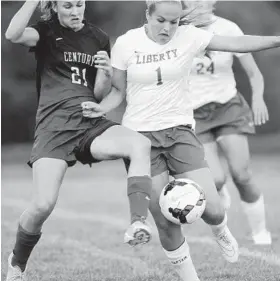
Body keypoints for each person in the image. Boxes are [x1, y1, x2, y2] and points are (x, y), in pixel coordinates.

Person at [83, 0, 280, 280]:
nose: (167, 28)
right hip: (140, 140)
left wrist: (277, 40)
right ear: (147, 15)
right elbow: (117, 92)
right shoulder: (126, 43)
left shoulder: (190, 36)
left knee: (213, 208)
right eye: (161, 20)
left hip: (180, 133)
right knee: (164, 221)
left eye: (174, 22)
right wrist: (102, 108)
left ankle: (221, 231)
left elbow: (239, 43)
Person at [4, 1, 154, 280]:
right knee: (42, 205)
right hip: (54, 128)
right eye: (68, 6)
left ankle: (138, 223)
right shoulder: (46, 32)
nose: (75, 11)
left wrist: (106, 73)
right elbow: (12, 34)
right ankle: (16, 261)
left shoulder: (97, 37)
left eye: (80, 5)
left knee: (139, 144)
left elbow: (98, 93)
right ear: (55, 7)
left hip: (88, 123)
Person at [183, 0, 271, 245]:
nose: (194, 4)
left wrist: (258, 98)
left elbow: (254, 74)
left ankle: (260, 232)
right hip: (193, 114)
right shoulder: (177, 32)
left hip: (228, 106)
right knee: (216, 180)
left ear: (212, 2)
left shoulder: (229, 28)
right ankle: (220, 190)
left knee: (241, 174)